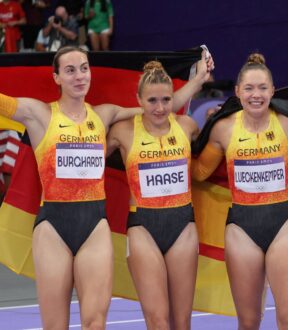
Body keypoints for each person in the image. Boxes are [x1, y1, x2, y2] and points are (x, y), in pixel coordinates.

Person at [0, 45, 213, 328]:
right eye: (70, 70)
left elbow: (160, 105)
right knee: (55, 325)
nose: (79, 76)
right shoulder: (38, 114)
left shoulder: (104, 115)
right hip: (53, 227)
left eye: (84, 68)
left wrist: (199, 79)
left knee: (95, 322)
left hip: (95, 226)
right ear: (56, 77)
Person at [192, 53, 288, 330]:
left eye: (262, 88)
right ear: (237, 92)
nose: (256, 95)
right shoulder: (223, 130)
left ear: (273, 90)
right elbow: (200, 173)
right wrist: (175, 144)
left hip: (282, 224)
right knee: (249, 322)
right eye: (248, 88)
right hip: (241, 229)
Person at [106, 58, 212, 330]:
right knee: (158, 321)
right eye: (152, 101)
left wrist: (215, 115)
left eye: (167, 100)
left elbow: (210, 160)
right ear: (139, 100)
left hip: (183, 226)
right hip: (143, 227)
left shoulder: (187, 126)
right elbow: (87, 154)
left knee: (181, 322)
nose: (161, 107)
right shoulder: (123, 130)